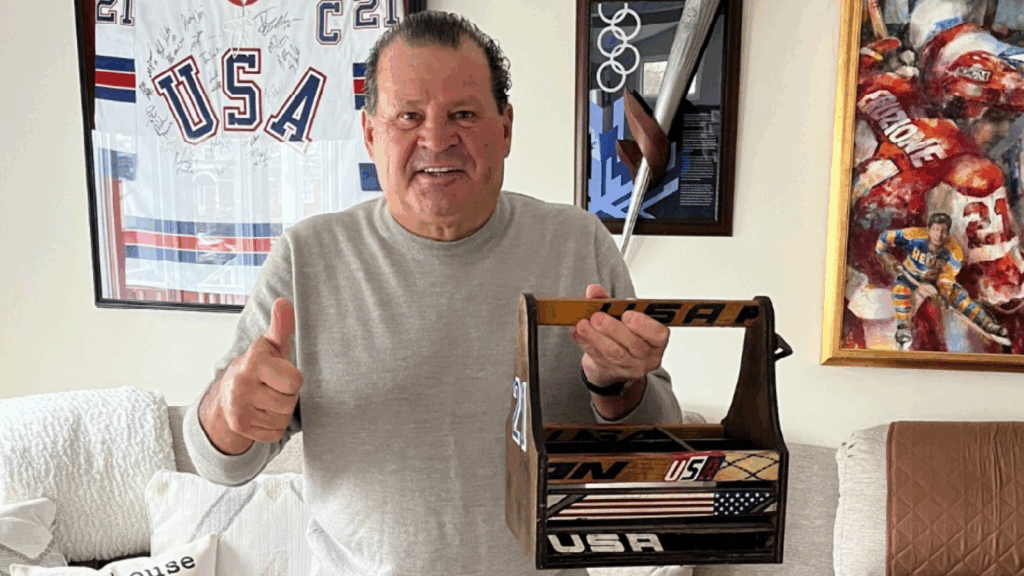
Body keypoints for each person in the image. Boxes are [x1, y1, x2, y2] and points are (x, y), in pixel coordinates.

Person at [182, 11, 683, 575]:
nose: (437, 140)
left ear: (505, 129)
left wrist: (616, 384)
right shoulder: (306, 257)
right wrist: (231, 409)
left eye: (463, 114)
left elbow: (659, 448)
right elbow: (218, 463)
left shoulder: (578, 242)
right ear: (370, 134)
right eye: (409, 116)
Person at [876, 212, 1009, 350]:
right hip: (910, 275)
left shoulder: (955, 252)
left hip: (936, 280)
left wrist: (943, 295)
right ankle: (903, 328)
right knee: (900, 291)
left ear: (948, 233)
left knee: (960, 298)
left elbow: (947, 278)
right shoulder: (914, 235)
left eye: (943, 231)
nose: (938, 235)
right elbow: (884, 238)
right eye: (935, 229)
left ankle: (987, 324)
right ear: (928, 229)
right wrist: (884, 256)